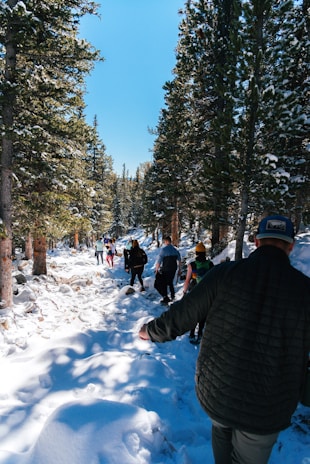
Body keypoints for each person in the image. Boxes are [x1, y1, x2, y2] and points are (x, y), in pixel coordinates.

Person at [139, 215, 310, 464]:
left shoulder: (225, 274)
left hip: (218, 393)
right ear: (291, 247)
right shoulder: (305, 291)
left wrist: (149, 331)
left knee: (221, 432)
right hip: (267, 408)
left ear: (257, 242)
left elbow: (182, 315)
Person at [183, 241, 214, 344]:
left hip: (194, 292)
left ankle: (192, 333)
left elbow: (187, 280)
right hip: (206, 293)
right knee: (203, 314)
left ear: (196, 253)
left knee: (194, 313)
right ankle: (200, 333)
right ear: (205, 253)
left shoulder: (192, 265)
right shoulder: (210, 264)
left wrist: (184, 292)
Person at [155, 236, 181, 304]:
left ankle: (165, 297)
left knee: (163, 283)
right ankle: (172, 295)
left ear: (166, 242)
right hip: (173, 269)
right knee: (170, 281)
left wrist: (156, 269)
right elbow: (179, 260)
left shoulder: (163, 250)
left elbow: (159, 261)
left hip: (166, 269)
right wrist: (179, 270)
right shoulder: (175, 250)